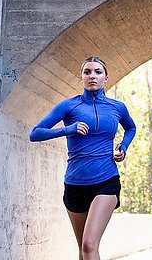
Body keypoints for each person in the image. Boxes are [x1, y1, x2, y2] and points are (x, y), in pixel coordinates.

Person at [30, 56, 136, 260]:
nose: (92, 76)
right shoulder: (69, 106)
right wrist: (68, 129)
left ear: (106, 77)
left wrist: (123, 147)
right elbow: (35, 133)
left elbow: (131, 127)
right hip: (75, 184)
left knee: (89, 245)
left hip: (106, 180)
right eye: (87, 72)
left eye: (97, 72)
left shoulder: (117, 107)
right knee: (83, 249)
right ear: (81, 77)